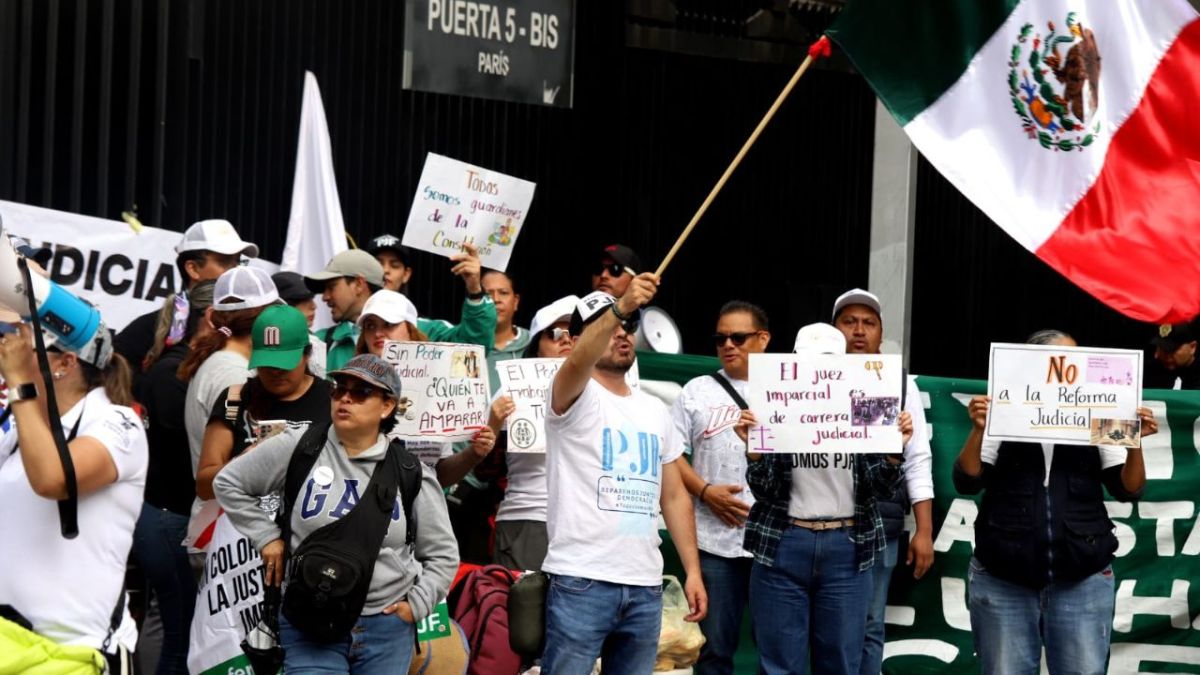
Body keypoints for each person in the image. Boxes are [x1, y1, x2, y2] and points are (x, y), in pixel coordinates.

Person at [214, 354, 459, 674]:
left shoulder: (411, 473)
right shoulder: (300, 446)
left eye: (360, 393)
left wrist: (416, 606)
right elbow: (228, 483)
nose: (345, 397)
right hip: (308, 623)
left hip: (386, 631)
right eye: (339, 388)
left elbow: (442, 554)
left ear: (387, 407)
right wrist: (266, 537)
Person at [954, 329, 1157, 675]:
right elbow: (967, 480)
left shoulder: (1096, 411)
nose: (1075, 368)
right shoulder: (1004, 410)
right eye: (1065, 360)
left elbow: (1129, 489)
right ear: (1035, 365)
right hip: (1004, 580)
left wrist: (1135, 441)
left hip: (1082, 580)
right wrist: (977, 430)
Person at [541, 283, 707, 674]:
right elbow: (577, 363)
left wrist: (693, 572)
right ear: (576, 340)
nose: (621, 331)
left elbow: (674, 497)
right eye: (606, 323)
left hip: (645, 585)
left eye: (629, 324)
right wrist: (623, 305)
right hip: (581, 580)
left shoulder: (654, 409)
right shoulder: (568, 392)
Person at [743, 322, 910, 675]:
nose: (818, 373)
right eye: (810, 364)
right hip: (784, 543)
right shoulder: (778, 403)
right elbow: (765, 490)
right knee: (777, 667)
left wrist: (895, 452)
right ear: (795, 364)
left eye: (828, 364)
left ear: (845, 365)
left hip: (847, 547)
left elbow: (878, 488)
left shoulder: (867, 401)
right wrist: (755, 452)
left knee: (840, 664)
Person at [0, 320, 145, 672]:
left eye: (27, 350)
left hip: (76, 653)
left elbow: (53, 479)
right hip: (12, 645)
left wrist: (19, 383)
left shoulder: (119, 423)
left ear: (65, 363)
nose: (10, 356)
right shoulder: (22, 428)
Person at [829, 288, 934, 675]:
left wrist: (923, 530)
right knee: (827, 628)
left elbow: (918, 459)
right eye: (849, 322)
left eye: (868, 323)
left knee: (870, 626)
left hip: (880, 525)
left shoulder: (902, 385)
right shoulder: (807, 382)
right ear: (834, 329)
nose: (859, 331)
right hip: (814, 525)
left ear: (881, 332)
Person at [669, 300, 770, 675]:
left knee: (776, 652)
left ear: (763, 339)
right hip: (713, 542)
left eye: (739, 337)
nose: (728, 345)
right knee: (713, 651)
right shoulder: (697, 390)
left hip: (772, 542)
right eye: (720, 338)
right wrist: (705, 490)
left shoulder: (788, 392)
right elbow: (670, 453)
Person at [132, 279, 214, 675]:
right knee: (176, 634)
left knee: (170, 623)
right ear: (212, 318)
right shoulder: (170, 372)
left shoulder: (182, 366)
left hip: (170, 516)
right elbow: (187, 446)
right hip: (167, 517)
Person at [352, 289, 497, 489]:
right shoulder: (349, 386)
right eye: (370, 326)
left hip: (421, 511)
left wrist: (473, 453)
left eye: (389, 324)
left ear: (411, 329)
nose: (378, 333)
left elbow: (439, 475)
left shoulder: (436, 388)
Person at [194, 305, 330, 499]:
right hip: (246, 523)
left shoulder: (333, 399)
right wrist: (245, 464)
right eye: (267, 364)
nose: (275, 372)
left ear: (306, 355)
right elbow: (204, 486)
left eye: (284, 364)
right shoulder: (234, 399)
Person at [485, 295, 578, 570]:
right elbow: (485, 472)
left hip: (587, 523)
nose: (565, 339)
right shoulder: (510, 391)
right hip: (528, 519)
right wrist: (493, 425)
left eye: (573, 332)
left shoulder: (603, 390)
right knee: (524, 612)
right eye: (554, 333)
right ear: (536, 346)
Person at [115, 219, 257, 385]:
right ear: (193, 268)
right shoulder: (149, 328)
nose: (236, 270)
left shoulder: (244, 320)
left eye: (238, 261)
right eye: (225, 261)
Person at [179, 266, 279, 488]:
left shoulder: (223, 361)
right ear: (266, 318)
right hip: (226, 513)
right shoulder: (236, 374)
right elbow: (245, 458)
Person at [483, 269, 529, 393]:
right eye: (488, 294)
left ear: (515, 301)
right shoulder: (461, 344)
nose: (496, 299)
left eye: (503, 293)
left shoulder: (534, 343)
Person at [1145, 320, 1200, 390]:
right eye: (1162, 348)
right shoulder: (1150, 372)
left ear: (1192, 347)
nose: (1166, 355)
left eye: (1173, 350)